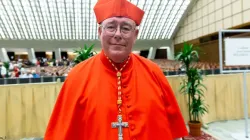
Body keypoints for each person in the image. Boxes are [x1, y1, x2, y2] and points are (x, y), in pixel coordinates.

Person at [44, 0, 188, 139]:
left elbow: (173, 132)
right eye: (111, 27)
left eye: (125, 28)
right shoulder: (77, 76)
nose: (118, 34)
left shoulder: (154, 72)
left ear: (135, 35)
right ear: (100, 32)